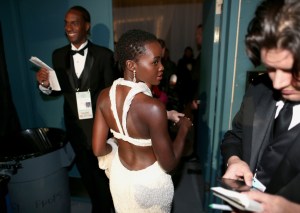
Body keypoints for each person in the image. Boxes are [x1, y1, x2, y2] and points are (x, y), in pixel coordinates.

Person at [92, 29, 193, 212]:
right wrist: (184, 129)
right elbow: (168, 164)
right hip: (149, 183)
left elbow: (98, 148)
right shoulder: (153, 107)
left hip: (120, 178)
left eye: (161, 60)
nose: (161, 67)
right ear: (132, 65)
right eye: (155, 61)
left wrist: (117, 145)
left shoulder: (104, 96)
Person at [35, 6, 116, 213]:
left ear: (86, 26)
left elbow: (111, 95)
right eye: (66, 23)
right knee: (86, 173)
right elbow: (57, 90)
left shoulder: (104, 55)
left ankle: (105, 208)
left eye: (74, 22)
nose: (68, 27)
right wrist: (44, 84)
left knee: (103, 174)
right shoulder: (58, 55)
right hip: (74, 127)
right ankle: (98, 206)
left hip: (99, 126)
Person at [221, 0, 300, 207]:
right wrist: (235, 160)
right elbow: (234, 136)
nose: (279, 83)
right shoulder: (258, 91)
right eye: (271, 68)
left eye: (293, 70)